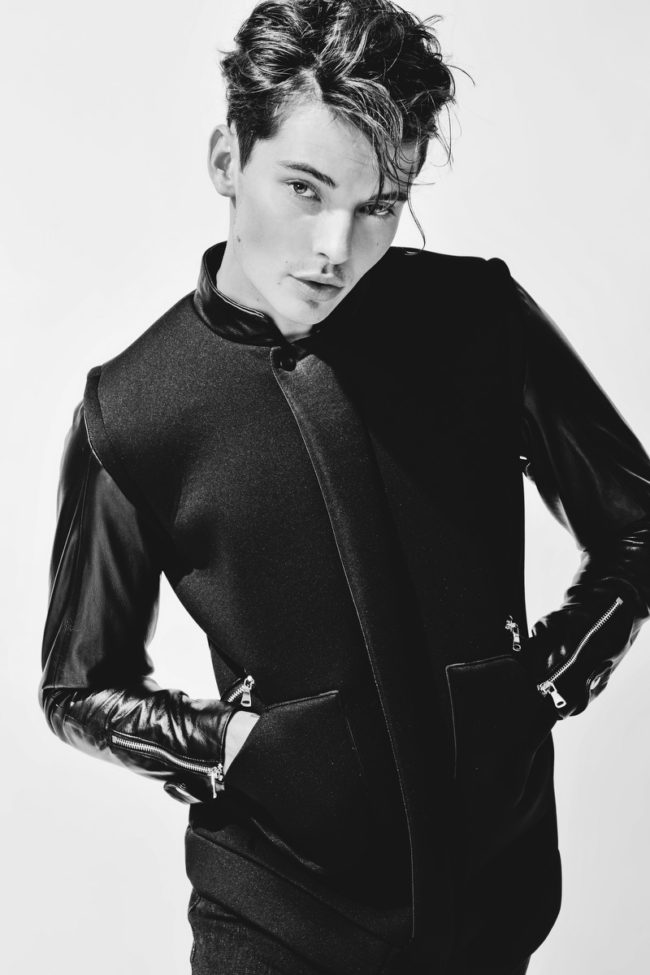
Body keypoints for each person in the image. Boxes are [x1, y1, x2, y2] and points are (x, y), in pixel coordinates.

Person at [39, 1, 650, 973]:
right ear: (226, 159)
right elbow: (79, 686)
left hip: (492, 900)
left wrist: (542, 681)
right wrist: (226, 745)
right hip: (271, 915)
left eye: (377, 205)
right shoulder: (131, 410)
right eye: (304, 188)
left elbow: (637, 525)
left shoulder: (477, 321)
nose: (335, 246)